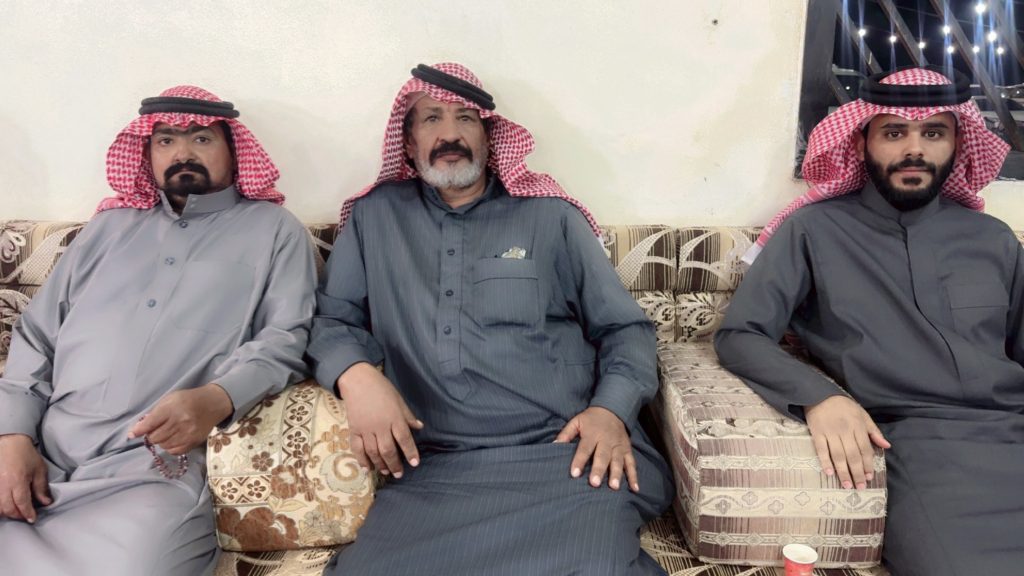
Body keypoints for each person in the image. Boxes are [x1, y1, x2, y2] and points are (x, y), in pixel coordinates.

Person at [307, 63, 673, 575]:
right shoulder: (375, 218)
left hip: (565, 453)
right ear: (408, 142)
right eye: (431, 118)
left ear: (489, 136)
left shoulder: (550, 216)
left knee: (593, 563)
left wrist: (610, 412)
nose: (449, 134)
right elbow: (332, 321)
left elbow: (626, 330)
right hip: (439, 469)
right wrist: (357, 376)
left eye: (465, 119)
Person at [715, 66, 1024, 575]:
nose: (914, 150)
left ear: (957, 145)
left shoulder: (993, 239)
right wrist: (820, 397)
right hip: (925, 453)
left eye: (933, 133)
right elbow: (739, 335)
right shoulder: (814, 231)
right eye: (894, 133)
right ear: (860, 144)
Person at [0, 85, 316, 576]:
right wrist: (13, 435)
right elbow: (36, 336)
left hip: (149, 469)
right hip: (42, 453)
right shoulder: (107, 228)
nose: (182, 153)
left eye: (201, 139)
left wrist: (217, 398)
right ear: (146, 151)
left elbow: (284, 340)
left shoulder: (274, 230)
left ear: (233, 151)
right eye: (166, 140)